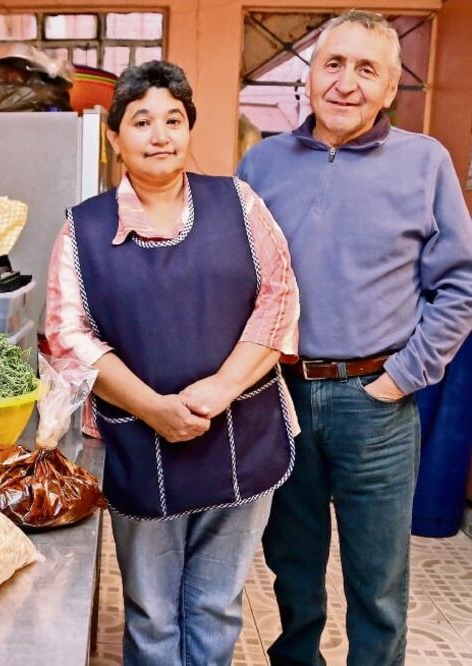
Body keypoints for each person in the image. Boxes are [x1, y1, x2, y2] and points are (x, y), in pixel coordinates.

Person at [46, 60, 300, 665]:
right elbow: (67, 336)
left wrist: (221, 385)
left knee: (216, 602)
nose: (160, 135)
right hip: (138, 441)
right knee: (152, 611)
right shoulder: (83, 229)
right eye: (141, 121)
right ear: (115, 139)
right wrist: (153, 407)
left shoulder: (238, 203)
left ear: (189, 129)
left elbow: (279, 298)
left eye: (173, 119)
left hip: (241, 430)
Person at [237, 10, 472, 666]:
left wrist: (402, 377)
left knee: (378, 584)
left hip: (377, 402)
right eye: (332, 64)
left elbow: (461, 286)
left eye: (366, 69)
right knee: (292, 570)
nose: (345, 83)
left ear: (391, 88)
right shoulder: (261, 163)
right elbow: (235, 278)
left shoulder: (426, 163)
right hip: (278, 400)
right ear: (310, 77)